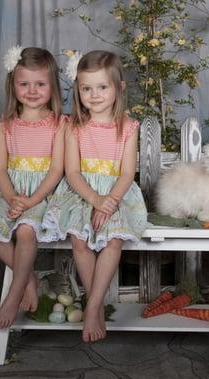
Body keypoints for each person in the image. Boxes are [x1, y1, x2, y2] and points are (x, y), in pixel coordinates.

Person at [42, 50, 147, 343]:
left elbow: (127, 174)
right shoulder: (73, 127)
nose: (95, 95)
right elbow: (72, 172)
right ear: (78, 90)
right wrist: (94, 200)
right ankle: (96, 305)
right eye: (87, 88)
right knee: (79, 238)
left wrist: (109, 202)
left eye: (102, 87)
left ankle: (92, 307)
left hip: (117, 192)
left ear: (119, 88)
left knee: (114, 239)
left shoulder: (128, 128)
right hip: (81, 192)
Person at [0, 46, 66, 329]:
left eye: (40, 84)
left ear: (52, 86)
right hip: (7, 189)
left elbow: (57, 170)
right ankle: (30, 279)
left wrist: (31, 200)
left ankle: (12, 296)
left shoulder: (60, 124)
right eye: (24, 84)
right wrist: (12, 198)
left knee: (25, 230)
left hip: (43, 192)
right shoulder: (5, 123)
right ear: (13, 85)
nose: (32, 91)